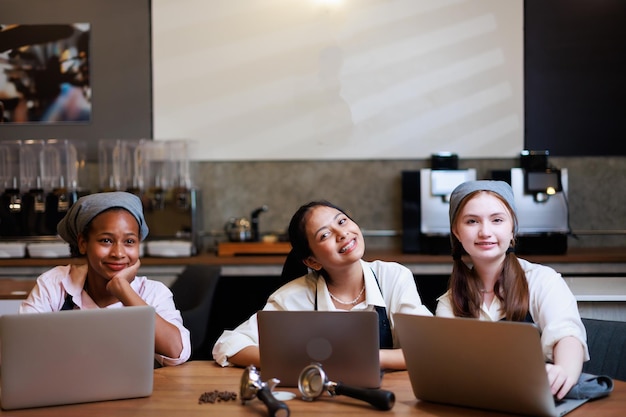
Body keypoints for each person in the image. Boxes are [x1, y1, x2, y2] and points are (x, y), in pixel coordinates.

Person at [212, 200, 432, 370]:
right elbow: (229, 344)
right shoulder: (294, 297)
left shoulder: (393, 277)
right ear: (312, 261)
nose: (342, 234)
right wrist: (297, 360)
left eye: (342, 221)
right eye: (325, 234)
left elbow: (427, 349)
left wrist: (357, 358)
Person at [435, 180, 588, 399]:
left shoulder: (543, 281)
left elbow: (568, 337)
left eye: (497, 220)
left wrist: (563, 371)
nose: (485, 232)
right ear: (456, 232)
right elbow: (445, 364)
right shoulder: (449, 302)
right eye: (472, 221)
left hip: (537, 399)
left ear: (512, 228)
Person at [19, 191, 191, 367]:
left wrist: (123, 290)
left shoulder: (152, 293)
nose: (118, 253)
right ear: (83, 243)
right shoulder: (55, 285)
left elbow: (177, 351)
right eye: (106, 240)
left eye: (129, 242)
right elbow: (19, 346)